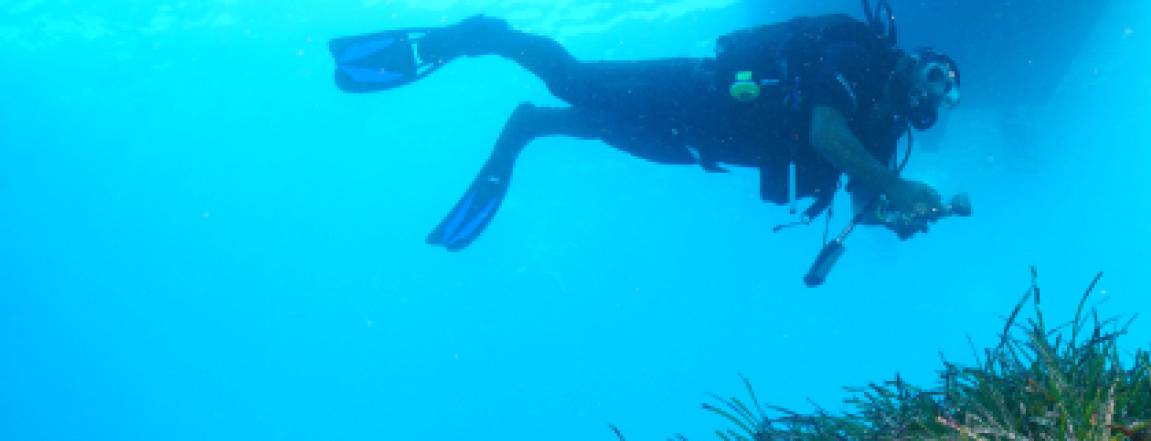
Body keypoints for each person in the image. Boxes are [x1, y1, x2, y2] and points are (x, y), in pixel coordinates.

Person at [328, 3, 960, 252]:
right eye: (938, 74)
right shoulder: (856, 60)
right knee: (574, 80)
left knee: (595, 125)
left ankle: (527, 129)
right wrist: (897, 187)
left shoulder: (880, 136)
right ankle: (487, 37)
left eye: (947, 95)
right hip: (692, 88)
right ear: (917, 63)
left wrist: (894, 214)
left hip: (695, 145)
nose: (938, 92)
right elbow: (825, 134)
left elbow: (864, 202)